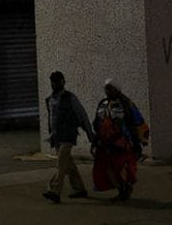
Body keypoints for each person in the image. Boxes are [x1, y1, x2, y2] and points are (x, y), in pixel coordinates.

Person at [91, 78, 150, 201]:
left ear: (116, 89)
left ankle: (125, 189)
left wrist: (139, 140)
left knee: (121, 167)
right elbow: (97, 122)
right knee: (107, 168)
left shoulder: (126, 104)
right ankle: (121, 189)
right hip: (105, 142)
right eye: (106, 88)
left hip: (122, 142)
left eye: (110, 88)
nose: (107, 91)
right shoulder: (103, 103)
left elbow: (136, 120)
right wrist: (95, 140)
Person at [42, 71, 95, 204]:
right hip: (57, 137)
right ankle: (79, 189)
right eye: (53, 82)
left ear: (63, 82)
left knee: (60, 162)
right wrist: (52, 136)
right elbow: (52, 120)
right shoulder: (49, 100)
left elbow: (82, 115)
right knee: (68, 164)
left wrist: (91, 135)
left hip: (68, 136)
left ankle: (54, 191)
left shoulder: (70, 98)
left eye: (58, 81)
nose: (55, 84)